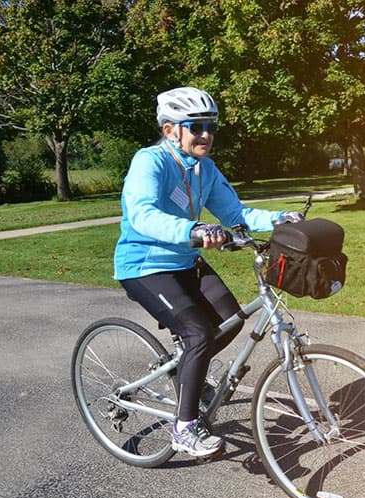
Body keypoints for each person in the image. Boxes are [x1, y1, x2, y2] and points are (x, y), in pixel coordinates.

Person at [114, 87, 301, 457]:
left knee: (230, 321)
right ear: (171, 131)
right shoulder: (149, 162)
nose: (205, 135)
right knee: (198, 334)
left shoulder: (205, 169)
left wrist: (279, 218)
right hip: (144, 265)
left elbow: (237, 214)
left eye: (211, 127)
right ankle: (183, 429)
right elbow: (142, 214)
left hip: (186, 261)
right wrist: (192, 230)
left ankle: (187, 370)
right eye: (195, 127)